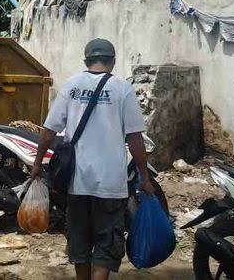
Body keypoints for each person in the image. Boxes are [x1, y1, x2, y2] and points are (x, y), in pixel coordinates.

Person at [30, 38, 154, 280]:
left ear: (86, 60)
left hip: (77, 182)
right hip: (111, 185)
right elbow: (135, 138)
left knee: (80, 245)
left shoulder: (72, 85)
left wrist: (37, 164)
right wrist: (144, 177)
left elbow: (48, 131)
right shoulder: (122, 88)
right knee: (106, 247)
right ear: (113, 61)